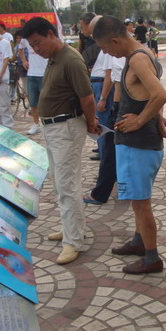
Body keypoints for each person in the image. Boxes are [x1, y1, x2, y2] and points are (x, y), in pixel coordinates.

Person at [93, 15, 166, 275]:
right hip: (140, 143)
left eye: (105, 48)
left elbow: (160, 94)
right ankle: (139, 242)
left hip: (138, 144)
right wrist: (157, 118)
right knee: (139, 199)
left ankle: (152, 258)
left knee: (140, 203)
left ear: (115, 40)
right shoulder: (144, 53)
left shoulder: (137, 59)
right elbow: (152, 95)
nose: (107, 53)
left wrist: (140, 120)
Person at [22, 17, 99, 265]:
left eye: (38, 43)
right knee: (59, 183)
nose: (36, 50)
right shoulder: (54, 58)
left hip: (66, 128)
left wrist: (91, 122)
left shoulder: (71, 59)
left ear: (50, 34)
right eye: (32, 46)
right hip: (53, 128)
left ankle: (74, 241)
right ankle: (71, 228)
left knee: (67, 186)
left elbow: (87, 97)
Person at [80, 12, 111, 161]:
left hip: (101, 85)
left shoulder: (109, 47)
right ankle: (103, 150)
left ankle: (105, 154)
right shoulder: (103, 47)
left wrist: (103, 98)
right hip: (98, 83)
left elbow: (109, 74)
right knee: (100, 120)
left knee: (103, 122)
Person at [19, 30, 49, 135]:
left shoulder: (43, 36)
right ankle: (36, 124)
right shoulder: (25, 38)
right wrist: (24, 61)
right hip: (31, 73)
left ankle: (47, 123)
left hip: (44, 73)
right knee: (33, 102)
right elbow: (20, 48)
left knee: (45, 102)